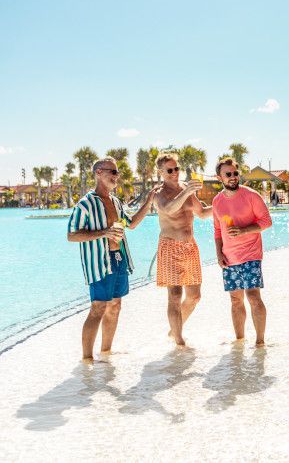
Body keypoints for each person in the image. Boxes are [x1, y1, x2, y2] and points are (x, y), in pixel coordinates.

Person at [67, 157, 156, 363]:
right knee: (98, 307)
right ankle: (87, 360)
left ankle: (106, 353)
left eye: (117, 173)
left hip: (119, 258)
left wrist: (149, 201)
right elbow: (72, 235)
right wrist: (104, 233)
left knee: (115, 304)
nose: (117, 176)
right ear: (99, 172)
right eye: (113, 172)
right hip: (99, 262)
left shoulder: (115, 202)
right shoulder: (85, 204)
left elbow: (131, 224)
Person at [152, 153, 212, 347]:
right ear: (160, 172)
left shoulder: (186, 189)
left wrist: (223, 202)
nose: (175, 173)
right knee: (175, 296)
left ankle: (173, 330)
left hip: (190, 247)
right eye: (169, 170)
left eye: (176, 168)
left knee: (194, 296)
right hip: (170, 246)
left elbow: (202, 214)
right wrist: (186, 193)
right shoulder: (158, 193)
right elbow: (169, 209)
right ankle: (179, 341)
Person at [212, 157, 273, 347]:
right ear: (219, 177)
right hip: (229, 258)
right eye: (228, 174)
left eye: (235, 173)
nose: (232, 177)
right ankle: (239, 342)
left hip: (251, 254)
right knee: (235, 300)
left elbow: (266, 222)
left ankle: (260, 343)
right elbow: (217, 230)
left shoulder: (251, 195)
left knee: (253, 296)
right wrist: (219, 253)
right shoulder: (217, 201)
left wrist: (243, 230)